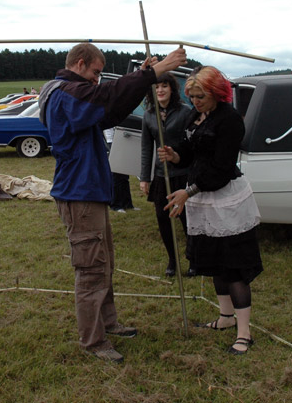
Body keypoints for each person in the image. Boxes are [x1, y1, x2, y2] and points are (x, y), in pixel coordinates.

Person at [38, 42, 187, 363]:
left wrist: (143, 79)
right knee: (91, 269)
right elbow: (104, 98)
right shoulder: (64, 94)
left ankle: (108, 324)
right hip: (78, 196)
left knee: (103, 264)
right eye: (95, 72)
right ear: (80, 63)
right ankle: (93, 341)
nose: (97, 79)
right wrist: (151, 73)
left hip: (90, 192)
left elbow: (113, 110)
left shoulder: (76, 94)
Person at [159, 65, 263, 356]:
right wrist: (175, 153)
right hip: (202, 196)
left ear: (217, 92)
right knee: (215, 261)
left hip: (225, 199)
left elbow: (219, 168)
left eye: (200, 96)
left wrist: (187, 192)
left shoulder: (230, 121)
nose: (194, 102)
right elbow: (192, 150)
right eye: (191, 97)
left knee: (234, 268)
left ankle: (245, 333)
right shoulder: (197, 115)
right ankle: (225, 318)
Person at [139, 73, 194, 277]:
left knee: (187, 219)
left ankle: (193, 258)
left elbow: (191, 145)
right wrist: (145, 177)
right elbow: (146, 147)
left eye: (164, 86)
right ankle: (172, 260)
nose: (160, 90)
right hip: (161, 175)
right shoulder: (149, 114)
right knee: (163, 217)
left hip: (182, 172)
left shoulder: (185, 112)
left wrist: (175, 154)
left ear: (172, 88)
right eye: (156, 87)